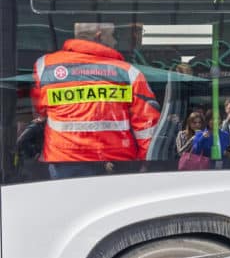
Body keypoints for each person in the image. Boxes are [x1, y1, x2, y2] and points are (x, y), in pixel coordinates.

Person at [31, 22, 161, 179]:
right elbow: (146, 129)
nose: (115, 42)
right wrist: (148, 166)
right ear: (99, 37)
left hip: (63, 163)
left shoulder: (45, 67)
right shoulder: (128, 73)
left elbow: (39, 111)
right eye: (113, 36)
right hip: (116, 166)